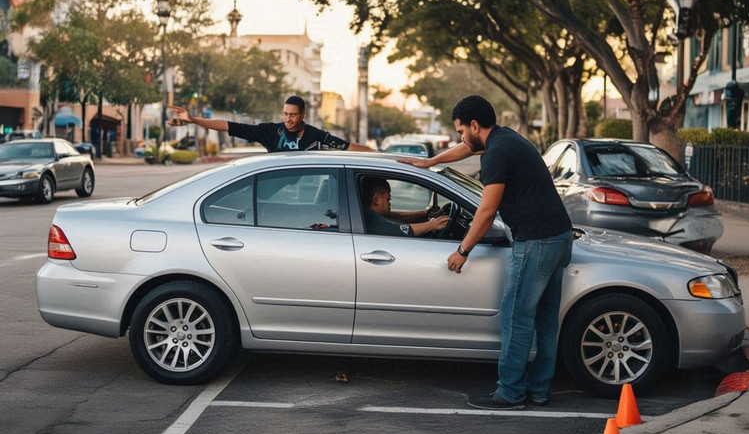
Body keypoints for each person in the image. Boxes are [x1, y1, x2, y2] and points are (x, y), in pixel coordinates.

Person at [410, 95, 573, 410]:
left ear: (474, 125)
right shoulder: (504, 139)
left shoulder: (497, 153)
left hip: (536, 242)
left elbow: (485, 212)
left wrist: (462, 250)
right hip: (558, 237)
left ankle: (510, 393)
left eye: (460, 130)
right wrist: (431, 162)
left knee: (516, 317)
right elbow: (467, 148)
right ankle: (538, 390)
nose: (459, 137)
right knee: (545, 321)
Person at [168, 95, 373, 152]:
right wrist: (193, 120)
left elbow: (347, 147)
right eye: (285, 114)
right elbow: (229, 126)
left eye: (292, 115)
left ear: (302, 115)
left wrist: (376, 154)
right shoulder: (270, 132)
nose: (288, 119)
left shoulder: (315, 135)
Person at [363, 177, 450, 237]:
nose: (389, 203)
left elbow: (395, 215)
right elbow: (400, 230)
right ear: (376, 199)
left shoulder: (367, 212)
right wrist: (431, 225)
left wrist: (425, 212)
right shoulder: (371, 220)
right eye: (388, 199)